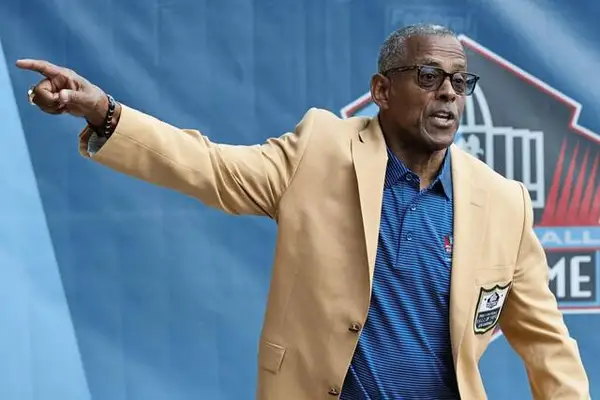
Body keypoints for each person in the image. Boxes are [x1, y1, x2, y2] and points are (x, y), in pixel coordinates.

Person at [17, 23, 589, 400]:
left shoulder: (502, 202)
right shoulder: (319, 149)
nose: (448, 93)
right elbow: (210, 167)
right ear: (381, 91)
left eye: (460, 82)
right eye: (429, 76)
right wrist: (104, 112)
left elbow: (548, 346)